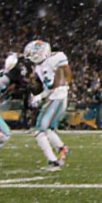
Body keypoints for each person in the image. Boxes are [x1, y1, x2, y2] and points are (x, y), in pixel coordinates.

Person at [24, 40, 72, 171]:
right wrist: (40, 95)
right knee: (49, 128)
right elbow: (50, 86)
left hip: (57, 96)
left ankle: (53, 161)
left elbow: (63, 79)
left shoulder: (56, 58)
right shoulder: (40, 67)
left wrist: (42, 95)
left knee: (40, 130)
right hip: (56, 96)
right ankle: (62, 149)